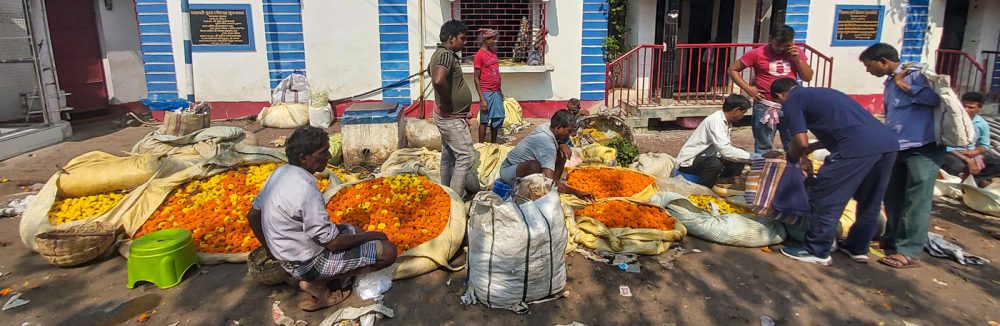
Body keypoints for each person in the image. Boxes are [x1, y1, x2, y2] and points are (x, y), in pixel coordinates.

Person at [248, 126, 397, 311]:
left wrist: (269, 249)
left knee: (354, 230)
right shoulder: (305, 190)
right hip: (308, 262)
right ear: (303, 157)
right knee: (388, 251)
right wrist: (374, 235)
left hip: (287, 257)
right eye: (323, 152)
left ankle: (311, 278)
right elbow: (333, 244)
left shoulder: (280, 174)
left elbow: (253, 214)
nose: (328, 155)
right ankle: (318, 284)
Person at [769, 78, 900, 265]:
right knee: (870, 199)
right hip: (887, 144)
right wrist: (815, 146)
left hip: (856, 147)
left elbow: (800, 141)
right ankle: (858, 248)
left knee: (826, 195)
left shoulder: (792, 101)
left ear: (780, 96)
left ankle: (817, 250)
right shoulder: (824, 93)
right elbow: (845, 126)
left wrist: (792, 158)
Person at [859, 43, 943, 269]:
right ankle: (892, 238)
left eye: (870, 66)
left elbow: (934, 100)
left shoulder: (915, 74)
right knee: (893, 195)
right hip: (898, 146)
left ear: (884, 61)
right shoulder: (889, 82)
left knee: (917, 200)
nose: (869, 71)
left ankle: (910, 251)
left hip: (922, 146)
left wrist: (903, 85)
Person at [728, 25, 814, 154]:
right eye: (777, 44)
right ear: (771, 38)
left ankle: (792, 171)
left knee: (792, 143)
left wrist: (798, 60)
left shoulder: (797, 53)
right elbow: (733, 69)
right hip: (765, 105)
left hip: (790, 105)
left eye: (784, 45)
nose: (780, 48)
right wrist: (748, 88)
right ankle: (763, 171)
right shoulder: (757, 53)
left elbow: (807, 77)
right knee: (764, 145)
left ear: (791, 42)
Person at [499, 109, 593, 199]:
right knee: (534, 167)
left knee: (562, 153)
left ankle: (554, 188)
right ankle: (551, 189)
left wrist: (562, 144)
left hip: (517, 167)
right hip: (509, 171)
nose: (569, 135)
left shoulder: (547, 126)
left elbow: (556, 139)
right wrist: (577, 193)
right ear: (559, 128)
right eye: (568, 131)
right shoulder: (547, 145)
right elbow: (549, 182)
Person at [430, 20, 474, 199]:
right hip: (450, 117)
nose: (465, 43)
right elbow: (439, 80)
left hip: (448, 115)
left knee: (449, 155)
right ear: (451, 38)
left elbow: (434, 75)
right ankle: (455, 199)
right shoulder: (445, 55)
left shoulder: (439, 54)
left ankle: (445, 193)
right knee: (466, 156)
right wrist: (447, 101)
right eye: (462, 39)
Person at [676, 94, 760, 187]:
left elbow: (727, 150)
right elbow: (726, 151)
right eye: (742, 113)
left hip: (708, 157)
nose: (742, 116)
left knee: (739, 155)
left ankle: (726, 182)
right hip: (689, 162)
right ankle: (704, 189)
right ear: (736, 110)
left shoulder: (725, 122)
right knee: (714, 163)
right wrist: (753, 157)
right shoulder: (716, 121)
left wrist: (748, 157)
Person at [941, 91, 1000, 186]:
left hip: (971, 153)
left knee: (997, 163)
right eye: (963, 106)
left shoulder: (981, 124)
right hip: (952, 153)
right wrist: (967, 159)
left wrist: (975, 152)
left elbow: (984, 145)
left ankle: (971, 180)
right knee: (957, 166)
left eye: (971, 107)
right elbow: (943, 144)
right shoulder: (949, 120)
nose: (966, 109)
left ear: (979, 109)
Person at [474, 28, 505, 144]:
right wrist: (482, 99)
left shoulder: (493, 52)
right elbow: (476, 79)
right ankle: (481, 145)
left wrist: (500, 91)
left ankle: (493, 143)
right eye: (493, 39)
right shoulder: (479, 55)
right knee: (484, 120)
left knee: (497, 118)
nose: (496, 41)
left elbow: (496, 72)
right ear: (486, 40)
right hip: (486, 92)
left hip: (496, 91)